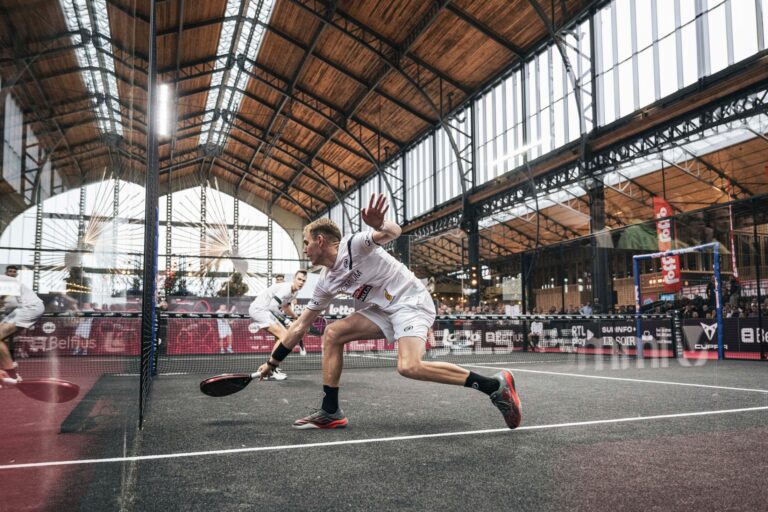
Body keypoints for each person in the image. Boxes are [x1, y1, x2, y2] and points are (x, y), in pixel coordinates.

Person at [256, 194, 521, 430]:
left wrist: (380, 224)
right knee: (333, 333)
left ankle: (494, 386)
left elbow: (394, 232)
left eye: (306, 242)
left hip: (411, 300)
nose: (304, 248)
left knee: (409, 366)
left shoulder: (355, 244)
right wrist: (272, 363)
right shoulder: (326, 282)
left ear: (320, 241)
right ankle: (330, 411)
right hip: (383, 308)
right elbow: (300, 325)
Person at [249, 270, 308, 380]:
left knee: (281, 336)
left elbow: (285, 307)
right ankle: (271, 369)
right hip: (259, 309)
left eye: (303, 281)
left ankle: (270, 368)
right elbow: (272, 307)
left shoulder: (295, 292)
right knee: (284, 337)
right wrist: (287, 321)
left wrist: (296, 317)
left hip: (266, 310)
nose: (301, 282)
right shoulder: (286, 289)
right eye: (299, 279)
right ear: (294, 279)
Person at [0, 269, 44, 387]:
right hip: (21, 309)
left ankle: (12, 376)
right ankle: (8, 373)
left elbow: (12, 303)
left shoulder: (4, 281)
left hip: (30, 308)